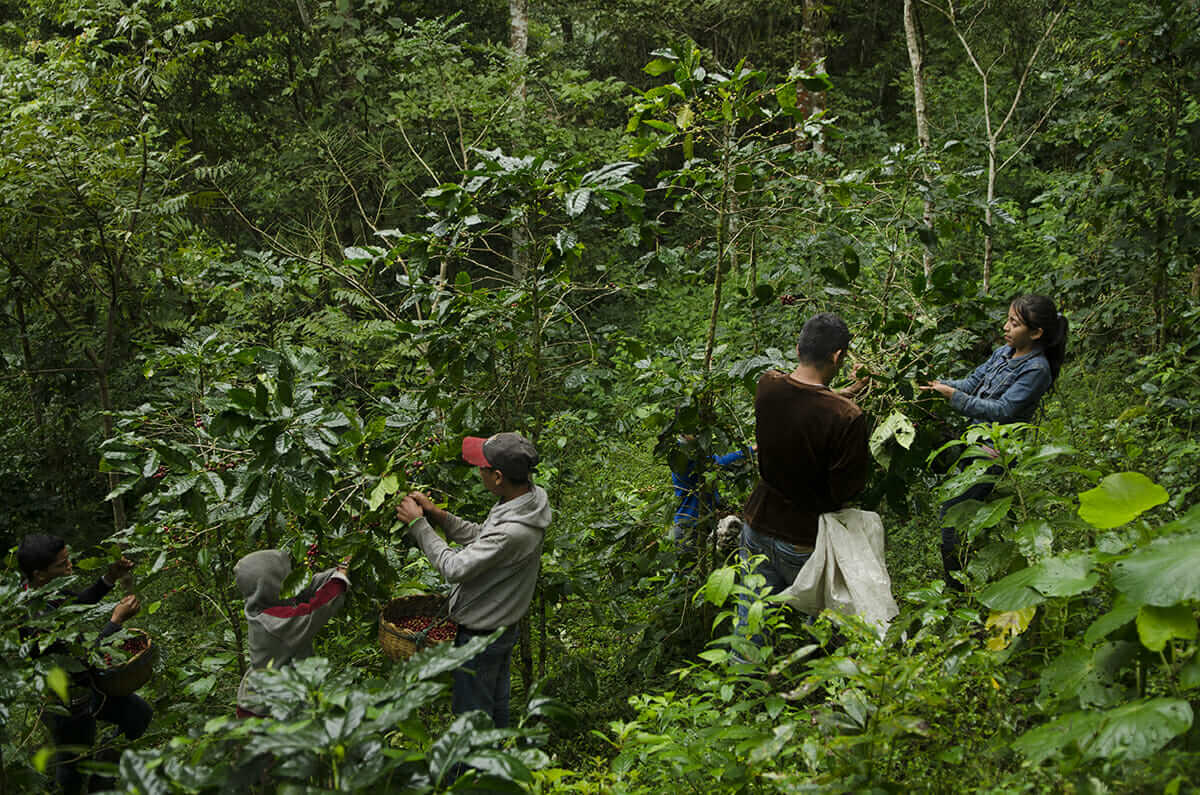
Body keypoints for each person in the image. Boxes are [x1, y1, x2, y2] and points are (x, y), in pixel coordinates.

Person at [395, 432, 551, 729]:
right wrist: (438, 516)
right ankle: (496, 769)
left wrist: (418, 525)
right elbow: (484, 536)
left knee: (471, 721)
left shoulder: (514, 531)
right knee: (493, 709)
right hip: (500, 628)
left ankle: (466, 774)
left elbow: (454, 567)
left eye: (482, 467)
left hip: (482, 637)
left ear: (497, 477)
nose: (478, 471)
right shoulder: (524, 500)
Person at [738, 313, 871, 641]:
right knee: (829, 626)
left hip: (756, 523)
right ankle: (821, 687)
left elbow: (807, 402)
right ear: (838, 357)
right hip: (804, 538)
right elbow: (846, 488)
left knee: (750, 626)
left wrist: (850, 390)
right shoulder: (848, 418)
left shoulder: (767, 383)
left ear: (798, 349)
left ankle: (742, 684)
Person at [921, 293, 1069, 585]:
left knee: (952, 515)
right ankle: (963, 578)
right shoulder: (1003, 353)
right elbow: (972, 383)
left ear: (1036, 333)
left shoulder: (1036, 370)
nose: (1005, 327)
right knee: (960, 512)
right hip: (973, 439)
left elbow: (1003, 411)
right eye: (1008, 320)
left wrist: (954, 397)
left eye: (1014, 324)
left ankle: (957, 588)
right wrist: (935, 384)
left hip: (994, 449)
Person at [17, 534, 151, 794]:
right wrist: (115, 622)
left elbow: (78, 604)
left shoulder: (50, 588)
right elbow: (79, 658)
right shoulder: (34, 616)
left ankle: (103, 774)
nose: (69, 567)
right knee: (74, 764)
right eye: (61, 564)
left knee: (138, 714)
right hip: (65, 700)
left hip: (89, 684)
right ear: (40, 574)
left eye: (68, 560)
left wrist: (109, 579)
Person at [234, 549, 351, 718]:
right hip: (263, 711)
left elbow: (308, 587)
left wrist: (339, 570)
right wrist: (338, 581)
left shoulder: (263, 602)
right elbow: (314, 610)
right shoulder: (273, 620)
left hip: (271, 699)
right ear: (272, 582)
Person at [667, 436, 753, 556]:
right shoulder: (682, 459)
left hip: (706, 525)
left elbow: (718, 461)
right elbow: (719, 462)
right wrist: (750, 451)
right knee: (688, 570)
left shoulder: (699, 452)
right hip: (688, 527)